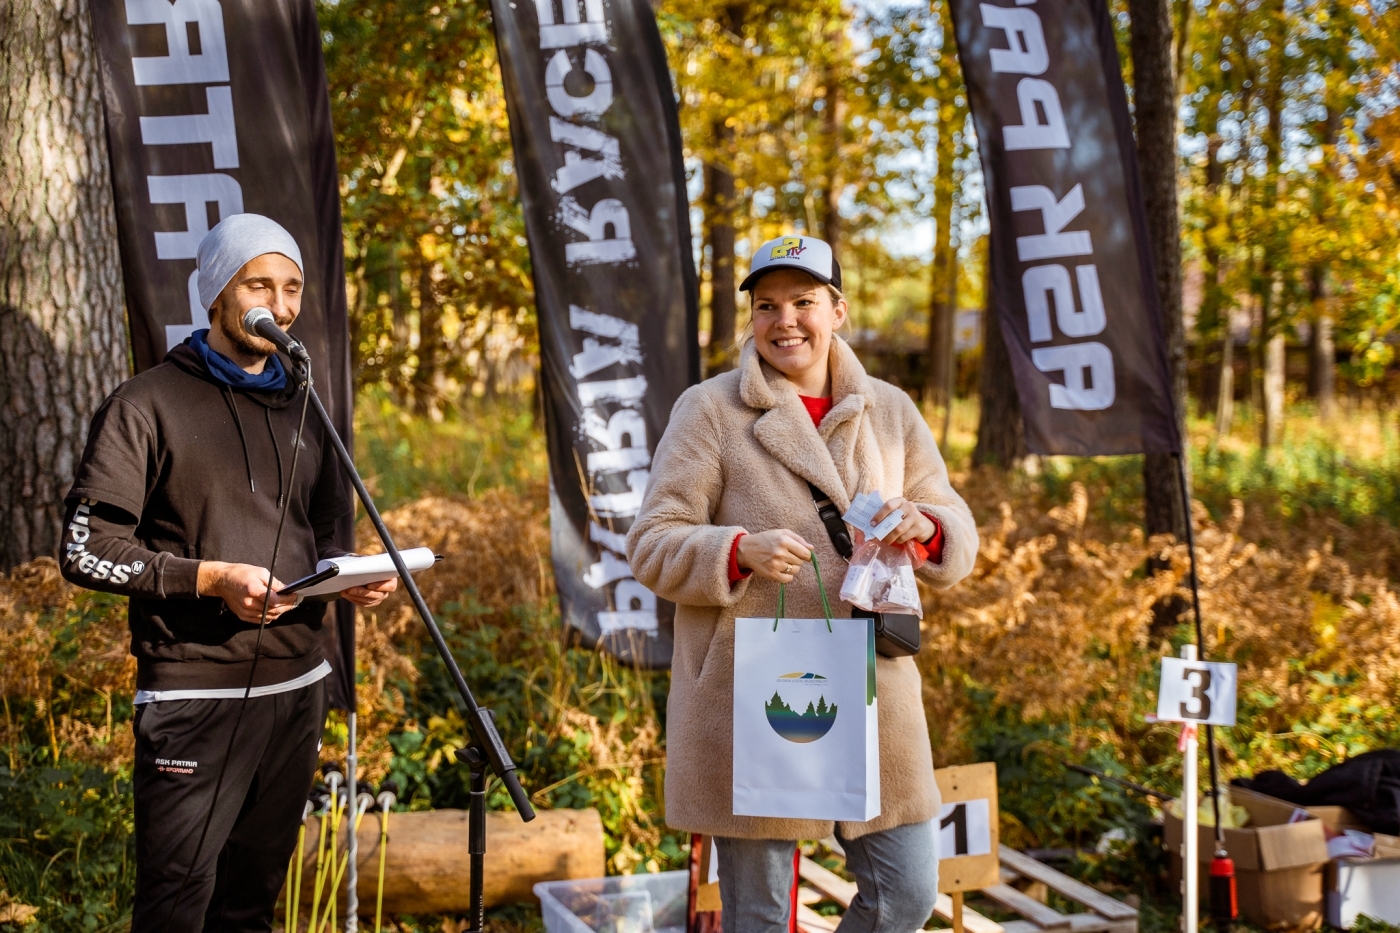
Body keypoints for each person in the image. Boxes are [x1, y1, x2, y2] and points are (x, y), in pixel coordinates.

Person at [627, 235, 979, 933]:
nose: (785, 320)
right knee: (758, 916)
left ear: (838, 310)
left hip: (874, 690)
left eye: (803, 301)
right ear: (751, 318)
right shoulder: (709, 410)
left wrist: (927, 527)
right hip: (756, 695)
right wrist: (735, 550)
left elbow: (958, 531)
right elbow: (651, 544)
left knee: (907, 892)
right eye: (766, 305)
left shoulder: (893, 411)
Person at [59, 213, 395, 932]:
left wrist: (352, 576)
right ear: (217, 292)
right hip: (194, 696)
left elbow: (328, 528)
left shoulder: (305, 400)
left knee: (250, 903)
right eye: (259, 283)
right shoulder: (145, 404)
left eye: (293, 287)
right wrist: (208, 578)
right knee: (176, 906)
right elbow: (85, 549)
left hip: (298, 688)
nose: (279, 302)